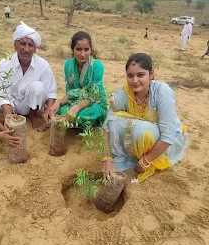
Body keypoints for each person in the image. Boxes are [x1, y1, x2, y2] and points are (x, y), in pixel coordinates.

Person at [102, 53, 188, 184]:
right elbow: (106, 124)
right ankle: (129, 156)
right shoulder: (125, 92)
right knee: (113, 122)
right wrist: (106, 158)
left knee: (141, 130)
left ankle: (146, 159)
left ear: (151, 74)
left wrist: (144, 162)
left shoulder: (162, 92)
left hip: (165, 143)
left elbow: (168, 136)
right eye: (130, 76)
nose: (134, 81)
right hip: (142, 135)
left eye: (140, 75)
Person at [0, 21, 57, 131]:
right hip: (10, 103)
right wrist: (8, 116)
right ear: (15, 46)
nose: (26, 49)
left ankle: (33, 116)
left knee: (37, 87)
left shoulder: (43, 65)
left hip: (30, 105)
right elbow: (3, 92)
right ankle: (9, 115)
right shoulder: (5, 63)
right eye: (23, 44)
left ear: (35, 49)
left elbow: (51, 91)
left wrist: (47, 111)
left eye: (30, 45)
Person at [49, 31, 107, 127]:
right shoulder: (68, 65)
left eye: (86, 49)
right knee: (58, 110)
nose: (82, 54)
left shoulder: (97, 66)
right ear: (73, 50)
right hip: (74, 101)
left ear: (91, 50)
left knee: (82, 116)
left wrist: (77, 107)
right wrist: (59, 102)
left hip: (94, 103)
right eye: (79, 49)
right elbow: (70, 91)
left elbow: (94, 95)